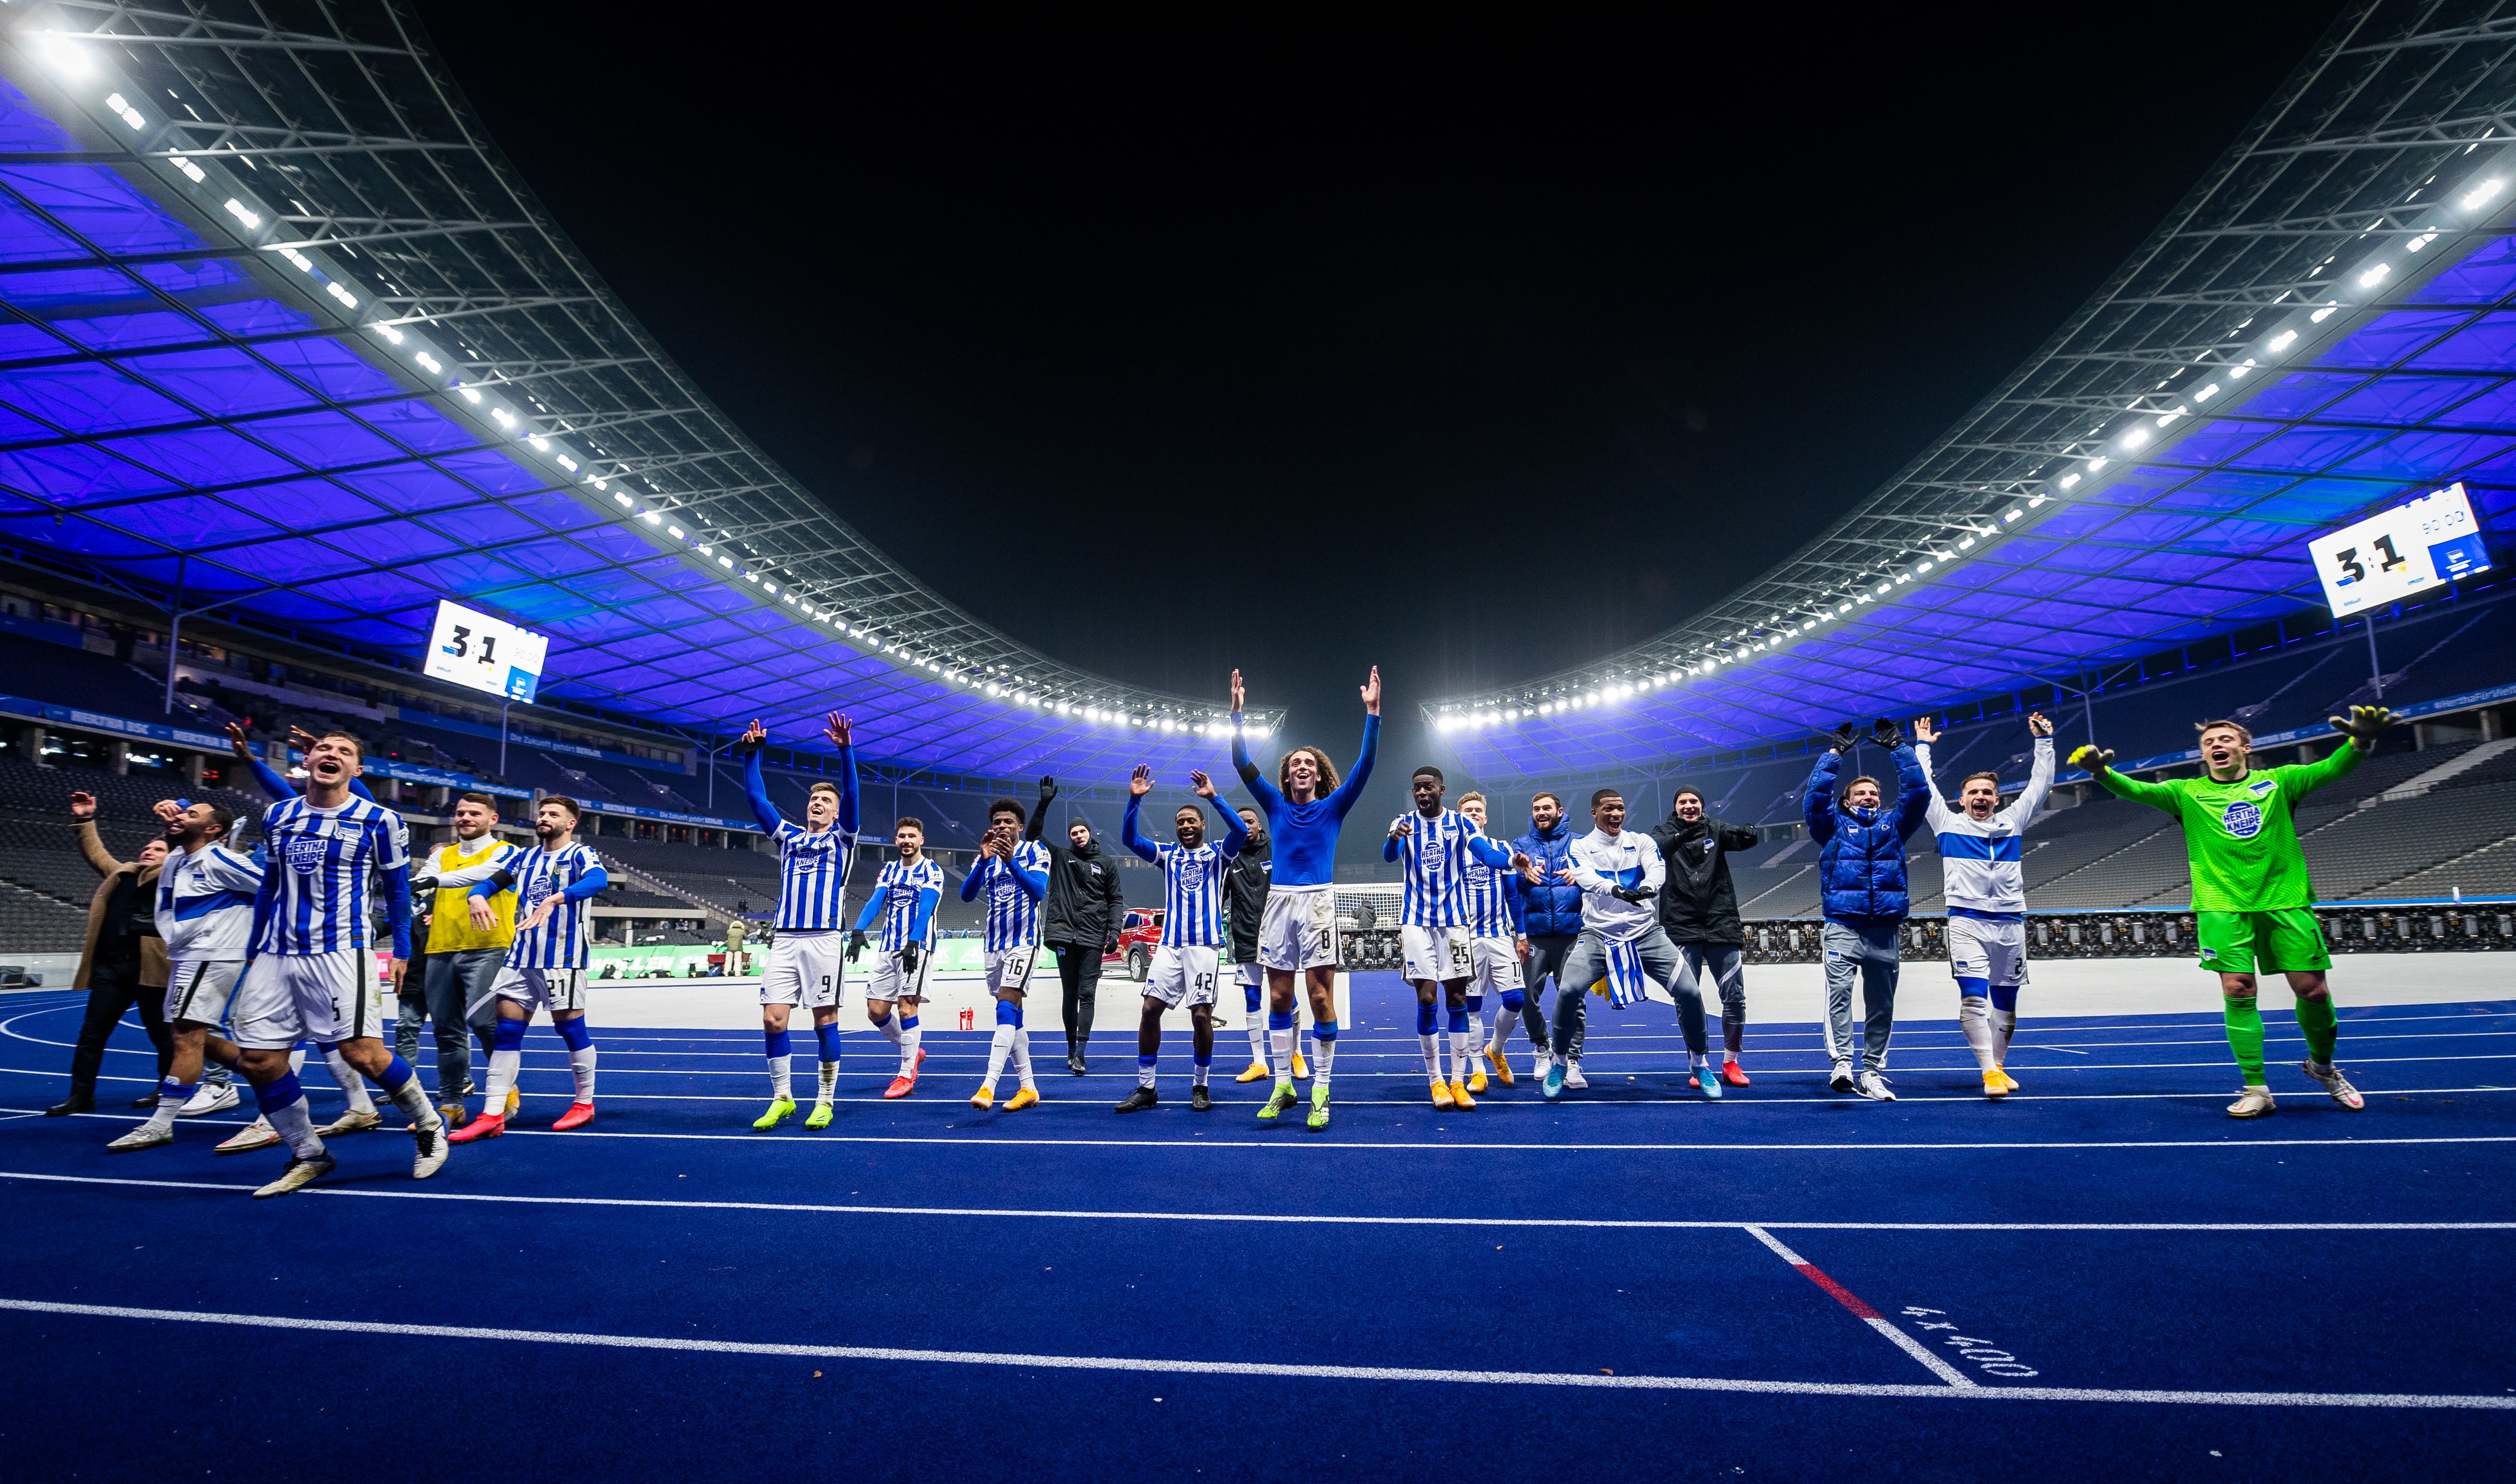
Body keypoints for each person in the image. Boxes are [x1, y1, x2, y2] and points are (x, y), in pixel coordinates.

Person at [2072, 707, 2390, 1117]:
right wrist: (2102, 774)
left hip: (2284, 901)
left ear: (2245, 747)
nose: (2216, 745)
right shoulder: (2185, 792)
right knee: (2238, 989)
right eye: (2209, 742)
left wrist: (2360, 742)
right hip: (2221, 906)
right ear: (2203, 754)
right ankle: (2257, 1088)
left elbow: (2332, 768)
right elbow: (2136, 790)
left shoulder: (2280, 781)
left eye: (2225, 739)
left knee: (2313, 991)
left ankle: (2323, 1067)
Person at [224, 730, 444, 1197]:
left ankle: (429, 1124)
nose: (332, 754)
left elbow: (399, 890)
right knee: (258, 1060)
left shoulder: (379, 820)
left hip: (342, 950)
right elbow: (269, 884)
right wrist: (255, 943)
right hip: (276, 952)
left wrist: (402, 949)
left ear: (357, 771)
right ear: (308, 760)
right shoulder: (277, 815)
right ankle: (309, 1154)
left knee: (361, 1053)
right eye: (324, 748)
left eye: (345, 751)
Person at [1233, 664, 1379, 1130]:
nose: (1301, 767)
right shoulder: (1273, 804)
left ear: (1319, 776)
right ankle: (1282, 1085)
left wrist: (1372, 714)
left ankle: (1320, 1088)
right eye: (1295, 763)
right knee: (1278, 997)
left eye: (1309, 764)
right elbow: (1241, 764)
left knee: (1318, 996)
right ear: (1287, 773)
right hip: (1278, 904)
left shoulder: (1333, 806)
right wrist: (1236, 716)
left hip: (1317, 902)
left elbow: (1366, 766)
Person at [446, 796, 609, 1142]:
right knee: (506, 1032)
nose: (544, 818)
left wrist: (555, 899)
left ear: (571, 823)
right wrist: (477, 896)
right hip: (520, 957)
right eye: (542, 813)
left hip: (562, 958)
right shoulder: (526, 857)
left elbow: (598, 881)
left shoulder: (580, 854)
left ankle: (584, 1103)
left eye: (554, 814)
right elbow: (489, 883)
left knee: (570, 1030)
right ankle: (492, 1113)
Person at [108, 798, 264, 1151]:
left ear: (214, 830)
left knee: (185, 1037)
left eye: (192, 814)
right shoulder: (179, 857)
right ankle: (267, 1073)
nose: (181, 816)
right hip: (189, 954)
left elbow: (274, 887)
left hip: (213, 953)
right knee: (191, 1034)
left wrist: (255, 939)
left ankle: (160, 1123)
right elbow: (182, 829)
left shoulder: (221, 858)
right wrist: (178, 812)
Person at [1914, 712, 2055, 1098]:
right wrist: (1922, 747)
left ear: (1997, 799)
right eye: (1973, 792)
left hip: (2011, 922)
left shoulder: (2014, 822)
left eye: (1987, 793)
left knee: (2007, 1003)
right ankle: (1989, 1070)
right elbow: (1923, 785)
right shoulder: (1947, 823)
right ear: (1961, 799)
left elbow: (2039, 785)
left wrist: (2045, 743)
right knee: (1974, 996)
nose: (1980, 797)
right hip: (1967, 922)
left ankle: (1998, 1065)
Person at [1545, 789, 1718, 1102]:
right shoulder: (1580, 846)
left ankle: (1700, 1063)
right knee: (1569, 990)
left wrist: (1647, 887)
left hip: (1646, 933)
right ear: (1595, 813)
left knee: (1690, 992)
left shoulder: (1641, 841)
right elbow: (1585, 877)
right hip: (1598, 934)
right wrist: (1617, 890)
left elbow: (1657, 869)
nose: (1617, 814)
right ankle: (1559, 1061)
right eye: (1609, 809)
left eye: (1621, 808)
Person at [735, 714, 859, 1131]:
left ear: (838, 812)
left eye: (826, 801)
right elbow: (757, 801)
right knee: (773, 1019)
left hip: (824, 939)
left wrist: (845, 749)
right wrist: (753, 754)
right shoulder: (789, 836)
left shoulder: (841, 838)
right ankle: (782, 1098)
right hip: (785, 940)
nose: (817, 803)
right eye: (813, 800)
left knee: (825, 1020)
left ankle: (825, 1100)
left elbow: (854, 792)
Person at [1804, 719, 1934, 1100]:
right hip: (1843, 923)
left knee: (1882, 1003)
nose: (1868, 797)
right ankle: (1843, 1063)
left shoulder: (1895, 828)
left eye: (1873, 793)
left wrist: (1899, 748)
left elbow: (1918, 794)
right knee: (1840, 991)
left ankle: (1872, 1070)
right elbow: (1814, 800)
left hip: (1885, 928)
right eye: (1860, 793)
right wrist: (1835, 754)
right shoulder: (1833, 828)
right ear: (1847, 801)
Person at [1384, 767, 1528, 1109]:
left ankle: (1458, 1081)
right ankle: (1436, 1081)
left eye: (1428, 787)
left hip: (1455, 925)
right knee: (1427, 1001)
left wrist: (1510, 859)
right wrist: (1394, 837)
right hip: (1417, 923)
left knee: (1459, 999)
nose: (1422, 792)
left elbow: (1485, 854)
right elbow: (1390, 856)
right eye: (1417, 787)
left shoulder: (1460, 824)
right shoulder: (1404, 822)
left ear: (1441, 789)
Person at [1114, 766, 1250, 1111]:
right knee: (1149, 1009)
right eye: (1180, 822)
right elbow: (1130, 840)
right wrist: (1134, 800)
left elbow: (1241, 829)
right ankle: (1147, 1088)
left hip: (1204, 946)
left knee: (1201, 1016)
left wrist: (1213, 797)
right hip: (1170, 946)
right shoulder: (1167, 855)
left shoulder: (1219, 853)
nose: (1186, 826)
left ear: (1203, 825)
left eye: (1192, 821)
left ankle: (1201, 1086)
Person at [47, 792, 173, 1118]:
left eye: (158, 849)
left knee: (162, 1035)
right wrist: (85, 819)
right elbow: (96, 853)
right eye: (146, 848)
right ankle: (81, 1095)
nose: (149, 851)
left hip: (152, 970)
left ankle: (168, 1090)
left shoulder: (176, 876)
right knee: (92, 1034)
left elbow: (188, 855)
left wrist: (173, 828)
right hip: (112, 970)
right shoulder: (123, 874)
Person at [412, 791, 521, 1128]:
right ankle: (451, 1103)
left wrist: (430, 881)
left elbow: (480, 875)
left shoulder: (507, 852)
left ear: (493, 819)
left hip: (489, 945)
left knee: (484, 1023)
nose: (466, 818)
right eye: (460, 813)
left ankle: (504, 1092)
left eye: (475, 812)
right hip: (441, 947)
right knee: (446, 1029)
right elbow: (420, 887)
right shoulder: (442, 855)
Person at [1649, 786, 1762, 1089]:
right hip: (1681, 924)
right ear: (1676, 807)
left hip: (1721, 922)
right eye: (1683, 802)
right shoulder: (1664, 830)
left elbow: (1741, 841)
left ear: (1702, 805)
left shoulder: (1715, 827)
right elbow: (1657, 847)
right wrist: (1682, 836)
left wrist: (1751, 834)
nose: (1689, 806)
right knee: (1688, 997)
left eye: (1694, 802)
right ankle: (1698, 1063)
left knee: (1735, 997)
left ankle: (1731, 1062)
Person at [1025, 781, 1127, 1073]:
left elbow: (1115, 900)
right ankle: (1071, 1050)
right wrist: (1044, 804)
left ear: (1089, 834)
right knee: (1069, 994)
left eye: (1081, 831)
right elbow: (1032, 836)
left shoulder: (1107, 863)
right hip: (1063, 935)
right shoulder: (1060, 856)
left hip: (1094, 937)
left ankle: (1081, 1053)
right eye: (1073, 833)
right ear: (1069, 837)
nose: (1078, 836)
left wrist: (1115, 931)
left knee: (1088, 995)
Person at [963, 796, 1049, 1110]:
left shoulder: (1034, 851)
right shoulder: (985, 858)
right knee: (1013, 1016)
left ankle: (989, 1085)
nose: (1001, 826)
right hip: (993, 945)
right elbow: (967, 895)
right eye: (997, 821)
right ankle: (1028, 1088)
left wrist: (1012, 861)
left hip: (1023, 941)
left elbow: (1038, 892)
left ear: (1020, 827)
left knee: (1005, 1008)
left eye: (1008, 822)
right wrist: (985, 860)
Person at [849, 817, 943, 1098]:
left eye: (912, 836)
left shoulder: (932, 870)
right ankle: (912, 1048)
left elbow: (926, 907)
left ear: (921, 840)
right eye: (902, 836)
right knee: (876, 1012)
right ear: (896, 840)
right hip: (888, 948)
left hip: (917, 947)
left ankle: (906, 1075)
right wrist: (858, 929)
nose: (907, 841)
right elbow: (876, 901)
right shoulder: (889, 870)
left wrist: (914, 941)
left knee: (906, 1008)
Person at [1224, 804, 1309, 1083]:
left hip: (1278, 935)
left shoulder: (1276, 849)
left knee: (1285, 997)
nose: (1246, 826)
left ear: (1260, 826)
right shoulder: (1228, 857)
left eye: (1250, 822)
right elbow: (1216, 896)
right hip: (1245, 936)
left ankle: (1296, 1052)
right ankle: (1259, 1061)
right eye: (1240, 823)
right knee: (1252, 997)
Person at [1454, 793, 1530, 1088]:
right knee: (1470, 1005)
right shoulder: (1452, 853)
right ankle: (1477, 1070)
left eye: (1478, 811)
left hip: (1499, 935)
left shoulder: (1501, 849)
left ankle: (1495, 1049)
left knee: (1515, 999)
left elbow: (1512, 895)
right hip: (1465, 939)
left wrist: (1521, 937)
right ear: (1460, 818)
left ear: (1486, 818)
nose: (1473, 814)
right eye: (1467, 811)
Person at [1513, 792, 1584, 1086]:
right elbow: (1509, 882)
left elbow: (1600, 876)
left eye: (1546, 808)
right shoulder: (1521, 845)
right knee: (1526, 996)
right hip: (1535, 935)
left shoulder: (1580, 843)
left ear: (1560, 811)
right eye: (1536, 809)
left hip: (1571, 933)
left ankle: (1572, 1060)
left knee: (1573, 999)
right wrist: (1521, 874)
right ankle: (1542, 1048)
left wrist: (1581, 874)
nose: (1541, 812)